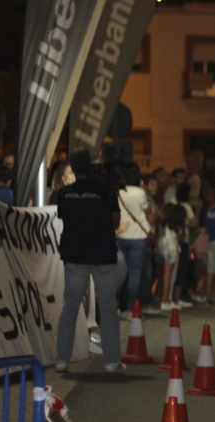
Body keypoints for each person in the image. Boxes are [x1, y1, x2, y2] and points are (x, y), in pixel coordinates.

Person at [54, 149, 125, 374]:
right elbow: (115, 221)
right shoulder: (105, 191)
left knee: (70, 306)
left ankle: (62, 359)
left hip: (74, 254)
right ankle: (112, 361)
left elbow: (63, 216)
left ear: (73, 168)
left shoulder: (64, 193)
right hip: (103, 254)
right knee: (107, 307)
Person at [116, 163, 154, 317]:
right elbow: (148, 211)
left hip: (121, 234)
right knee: (135, 273)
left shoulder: (118, 192)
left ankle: (118, 305)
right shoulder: (140, 193)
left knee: (121, 273)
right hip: (138, 236)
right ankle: (132, 308)